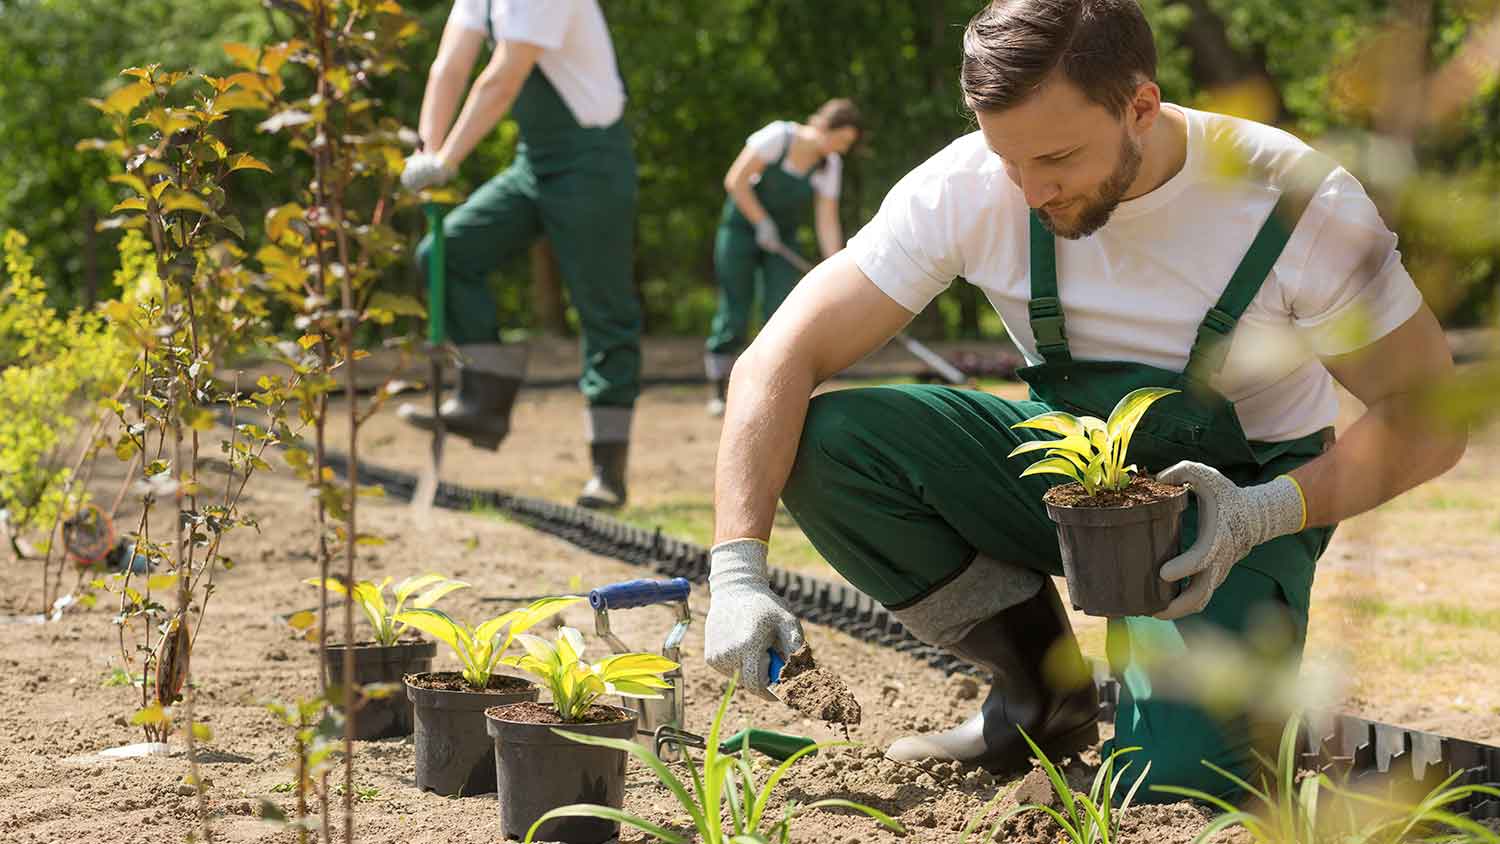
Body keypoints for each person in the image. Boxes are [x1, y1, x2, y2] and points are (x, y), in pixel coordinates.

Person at [701, 0, 1466, 800]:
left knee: (1173, 789)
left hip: (1239, 501)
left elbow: (1431, 419)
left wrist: (1261, 516)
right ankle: (1041, 696)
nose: (1030, 190)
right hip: (1079, 474)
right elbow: (777, 359)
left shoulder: (1293, 204)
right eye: (1010, 161)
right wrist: (738, 572)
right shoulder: (967, 187)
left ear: (1140, 106)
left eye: (1057, 158)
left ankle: (1182, 693)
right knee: (831, 445)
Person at [398, 0, 641, 509]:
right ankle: (484, 402)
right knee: (447, 253)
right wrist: (427, 149)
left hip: (591, 162)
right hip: (535, 163)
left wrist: (446, 161)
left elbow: (501, 79)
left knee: (603, 312)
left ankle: (607, 470)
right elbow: (450, 67)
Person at [703, 100, 862, 416]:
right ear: (824, 127)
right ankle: (719, 391)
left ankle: (765, 391)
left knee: (779, 311)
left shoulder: (829, 165)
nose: (841, 150)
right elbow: (735, 180)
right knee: (734, 310)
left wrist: (835, 265)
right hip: (741, 230)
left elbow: (826, 219)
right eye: (841, 141)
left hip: (783, 241)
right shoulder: (778, 137)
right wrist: (761, 222)